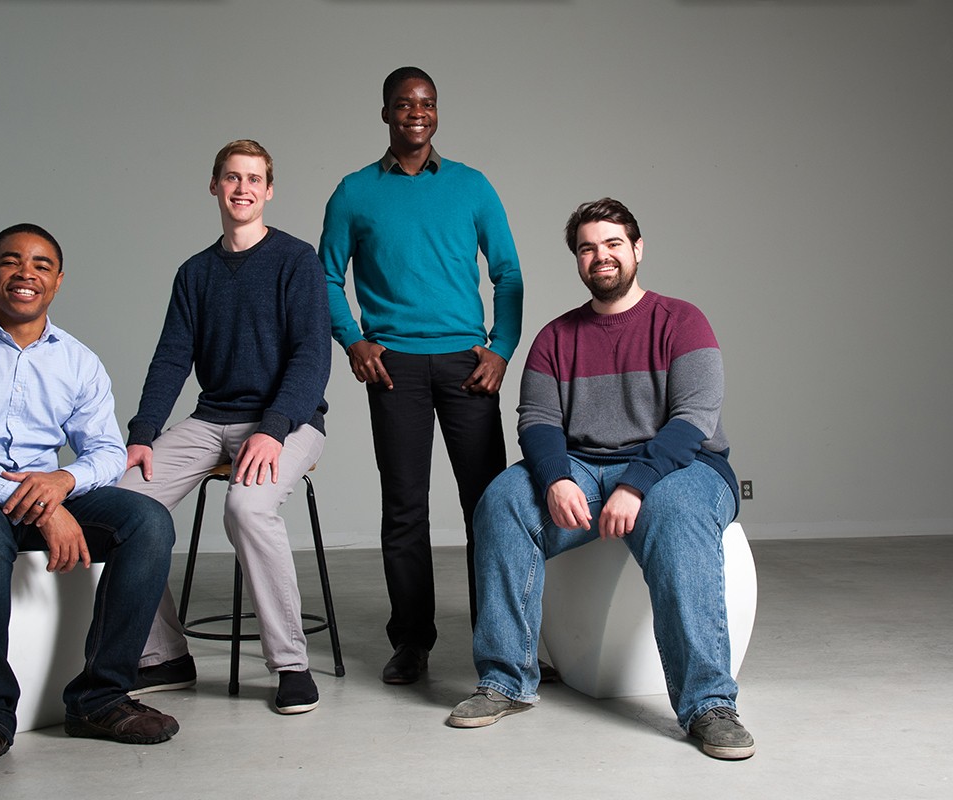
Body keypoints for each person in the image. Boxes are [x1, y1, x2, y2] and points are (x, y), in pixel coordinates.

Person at [447, 198, 754, 760]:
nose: (601, 256)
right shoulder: (556, 337)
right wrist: (556, 478)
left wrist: (637, 484)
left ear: (637, 249)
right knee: (503, 501)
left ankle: (708, 703)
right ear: (578, 260)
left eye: (613, 244)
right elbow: (537, 422)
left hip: (683, 466)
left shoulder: (682, 320)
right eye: (588, 248)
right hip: (584, 466)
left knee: (678, 511)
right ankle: (505, 680)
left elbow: (694, 419)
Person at [0, 224, 179, 782]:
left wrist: (63, 484)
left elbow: (106, 451)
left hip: (43, 494)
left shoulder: (78, 361)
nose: (25, 273)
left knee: (148, 520)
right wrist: (39, 502)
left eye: (41, 264)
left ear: (57, 281)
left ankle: (100, 699)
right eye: (11, 261)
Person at [318, 66, 523, 684]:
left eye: (427, 103)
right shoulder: (354, 191)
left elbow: (508, 273)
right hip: (394, 368)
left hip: (468, 363)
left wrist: (502, 348)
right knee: (405, 508)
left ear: (437, 112)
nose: (417, 112)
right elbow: (326, 277)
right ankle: (412, 640)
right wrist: (353, 341)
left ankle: (504, 640)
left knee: (489, 507)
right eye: (404, 103)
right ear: (385, 113)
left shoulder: (472, 185)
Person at [119, 140, 330, 714]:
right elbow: (170, 359)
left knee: (245, 508)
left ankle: (290, 664)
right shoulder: (194, 273)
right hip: (212, 418)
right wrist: (143, 432)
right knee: (118, 506)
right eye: (232, 178)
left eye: (254, 179)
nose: (242, 188)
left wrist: (275, 426)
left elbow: (313, 356)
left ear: (268, 190)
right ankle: (163, 654)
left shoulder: (296, 260)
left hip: (290, 420)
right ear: (214, 186)